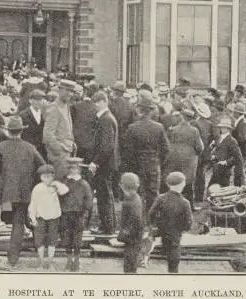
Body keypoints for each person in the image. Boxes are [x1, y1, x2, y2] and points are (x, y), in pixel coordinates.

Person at [0, 116, 46, 268]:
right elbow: (43, 167)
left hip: (5, 194)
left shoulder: (0, 147)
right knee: (19, 222)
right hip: (24, 191)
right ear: (21, 131)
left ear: (8, 131)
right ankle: (13, 257)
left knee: (6, 215)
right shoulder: (30, 147)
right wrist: (35, 183)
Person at [124, 90, 170, 212]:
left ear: (139, 110)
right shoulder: (158, 127)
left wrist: (132, 164)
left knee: (138, 192)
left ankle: (138, 217)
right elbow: (166, 149)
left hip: (138, 165)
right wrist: (159, 161)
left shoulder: (133, 127)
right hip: (154, 164)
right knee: (153, 193)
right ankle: (152, 219)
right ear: (150, 111)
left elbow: (127, 151)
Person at [147, 171, 193, 273]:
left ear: (168, 184)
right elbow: (189, 223)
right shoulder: (185, 203)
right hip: (175, 236)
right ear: (182, 184)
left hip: (162, 231)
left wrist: (154, 226)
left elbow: (150, 214)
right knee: (173, 264)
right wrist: (181, 228)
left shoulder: (161, 198)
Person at [89, 91, 119, 235]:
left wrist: (96, 162)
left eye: (96, 102)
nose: (94, 106)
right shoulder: (107, 118)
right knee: (105, 195)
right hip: (107, 163)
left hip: (104, 164)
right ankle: (109, 225)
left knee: (104, 196)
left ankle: (107, 227)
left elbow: (106, 146)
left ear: (102, 102)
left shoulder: (106, 119)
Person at [28, 164, 68, 270]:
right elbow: (33, 204)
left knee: (52, 240)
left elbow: (65, 191)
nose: (47, 179)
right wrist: (32, 218)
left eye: (49, 176)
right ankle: (41, 262)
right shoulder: (37, 188)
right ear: (40, 177)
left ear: (53, 177)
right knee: (39, 241)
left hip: (54, 217)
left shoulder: (56, 186)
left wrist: (56, 184)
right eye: (44, 176)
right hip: (40, 217)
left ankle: (50, 263)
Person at [60, 157, 93, 272]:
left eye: (75, 169)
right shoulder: (63, 183)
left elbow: (89, 199)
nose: (73, 171)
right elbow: (59, 197)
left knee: (77, 239)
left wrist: (85, 213)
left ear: (79, 169)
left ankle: (77, 261)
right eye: (71, 168)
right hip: (65, 214)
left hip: (79, 214)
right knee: (66, 238)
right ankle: (69, 260)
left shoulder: (84, 184)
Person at [163, 108, 203, 203]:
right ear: (191, 119)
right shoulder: (194, 130)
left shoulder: (174, 129)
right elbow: (199, 147)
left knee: (174, 179)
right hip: (188, 160)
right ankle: (189, 204)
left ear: (182, 117)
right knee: (187, 182)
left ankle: (171, 202)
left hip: (174, 157)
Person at [43, 80, 77, 179]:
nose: (69, 94)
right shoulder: (54, 108)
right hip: (59, 157)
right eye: (67, 90)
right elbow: (48, 134)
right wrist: (60, 150)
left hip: (67, 153)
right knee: (59, 184)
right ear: (60, 90)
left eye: (71, 91)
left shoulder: (65, 106)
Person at [117, 172, 144, 274]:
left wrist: (125, 232)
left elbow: (136, 219)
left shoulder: (131, 201)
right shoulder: (133, 198)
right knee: (129, 263)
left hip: (133, 238)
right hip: (134, 237)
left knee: (130, 264)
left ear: (123, 185)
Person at [208, 117, 244, 188]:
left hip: (225, 171)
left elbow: (238, 158)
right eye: (221, 127)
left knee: (222, 191)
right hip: (216, 169)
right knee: (211, 189)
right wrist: (214, 156)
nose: (221, 129)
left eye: (223, 127)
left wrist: (226, 162)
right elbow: (217, 152)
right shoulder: (218, 139)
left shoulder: (232, 141)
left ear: (228, 129)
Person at [19, 89, 47, 160]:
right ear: (30, 100)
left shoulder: (44, 114)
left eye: (41, 100)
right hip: (28, 150)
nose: (39, 102)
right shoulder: (23, 115)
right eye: (36, 100)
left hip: (42, 150)